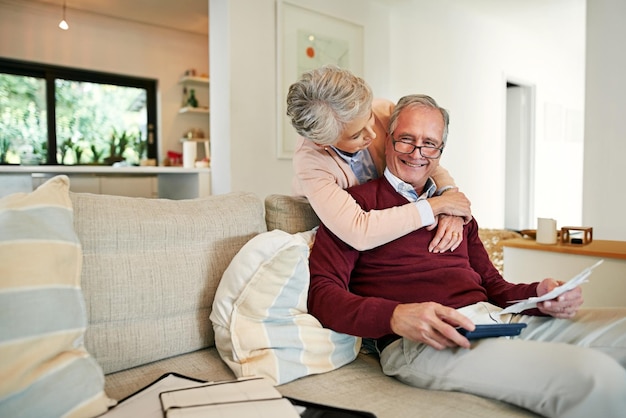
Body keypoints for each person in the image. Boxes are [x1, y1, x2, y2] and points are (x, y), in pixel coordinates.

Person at [307, 94, 626, 418]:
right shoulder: (354, 207)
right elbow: (321, 294)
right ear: (387, 140)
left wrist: (538, 294)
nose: (417, 153)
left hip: (493, 320)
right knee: (596, 377)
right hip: (425, 340)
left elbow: (494, 286)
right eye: (406, 139)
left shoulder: (456, 210)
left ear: (441, 152)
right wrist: (395, 316)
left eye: (430, 143)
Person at [286, 65, 471, 252]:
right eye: (356, 135)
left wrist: (449, 198)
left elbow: (420, 159)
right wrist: (437, 205)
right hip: (351, 238)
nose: (373, 135)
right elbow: (358, 232)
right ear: (322, 142)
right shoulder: (310, 162)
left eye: (370, 118)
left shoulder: (384, 110)